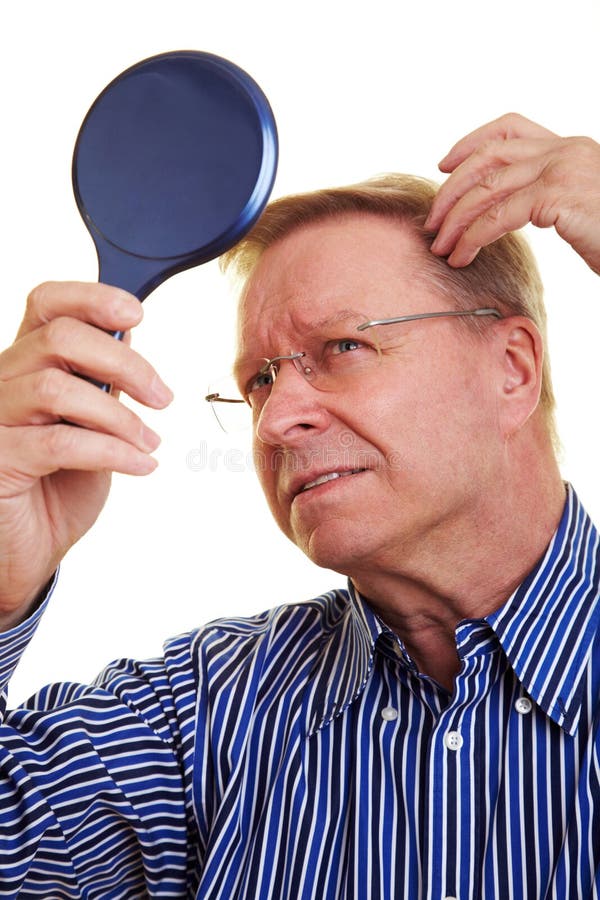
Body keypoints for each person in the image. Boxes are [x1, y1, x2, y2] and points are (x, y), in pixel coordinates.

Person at [0, 112, 598, 898]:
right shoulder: (210, 708)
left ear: (512, 370)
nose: (278, 421)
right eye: (259, 382)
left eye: (342, 349)